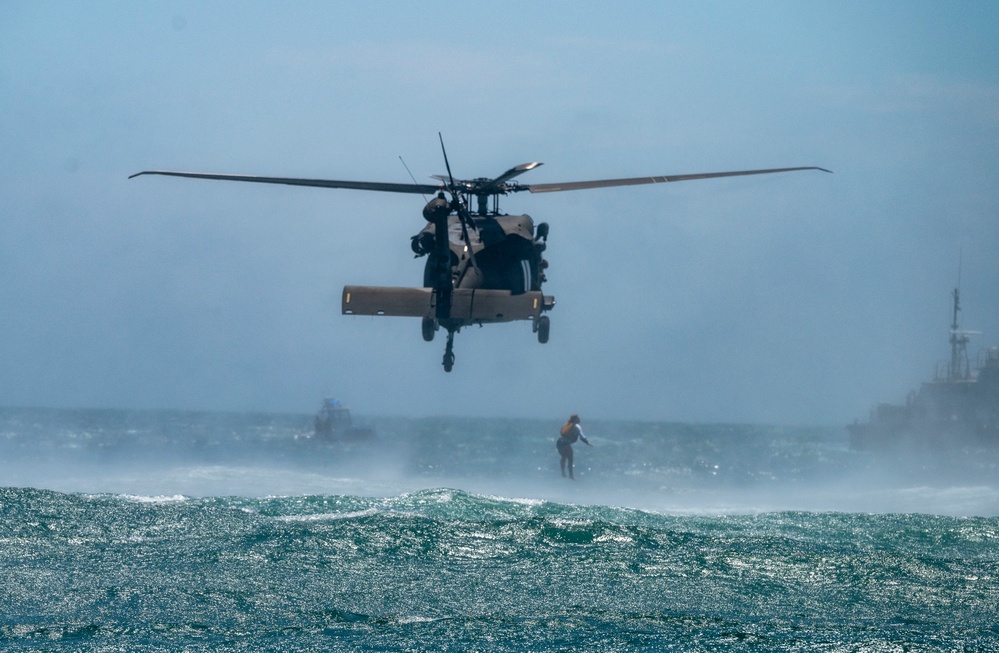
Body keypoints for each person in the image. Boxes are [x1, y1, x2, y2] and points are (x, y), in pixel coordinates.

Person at [556, 413, 591, 479]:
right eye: (578, 418)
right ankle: (571, 475)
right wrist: (587, 442)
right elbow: (582, 436)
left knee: (563, 456)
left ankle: (563, 472)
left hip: (559, 442)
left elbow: (561, 432)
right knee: (570, 458)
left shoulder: (566, 424)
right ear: (575, 420)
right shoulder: (577, 426)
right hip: (566, 443)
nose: (579, 419)